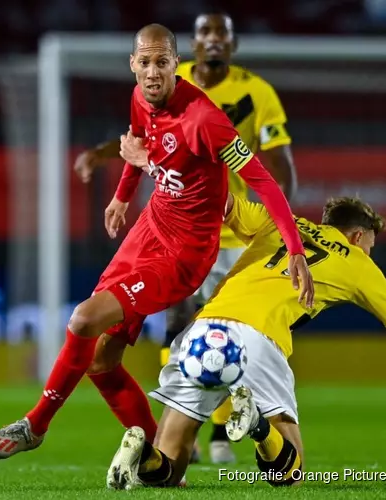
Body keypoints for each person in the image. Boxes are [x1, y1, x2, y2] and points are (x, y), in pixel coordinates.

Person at [0, 24, 314, 460]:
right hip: (150, 229)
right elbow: (137, 144)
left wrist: (296, 250)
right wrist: (120, 196)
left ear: (177, 64)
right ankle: (164, 457)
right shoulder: (139, 97)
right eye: (145, 62)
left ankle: (35, 424)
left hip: (185, 253)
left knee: (82, 320)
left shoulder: (205, 121)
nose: (153, 72)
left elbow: (264, 183)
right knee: (100, 360)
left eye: (162, 63)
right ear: (133, 64)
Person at [105, 193, 386, 490]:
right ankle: (258, 427)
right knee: (290, 474)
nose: (370, 253)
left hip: (202, 330)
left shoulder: (279, 221)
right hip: (258, 338)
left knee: (169, 472)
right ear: (357, 236)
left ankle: (142, 452)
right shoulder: (357, 261)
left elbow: (220, 200)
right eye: (370, 244)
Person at [73, 13, 298, 464]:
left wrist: (283, 232)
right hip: (181, 228)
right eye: (205, 33)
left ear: (232, 44)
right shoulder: (158, 81)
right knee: (177, 325)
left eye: (221, 34)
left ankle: (219, 432)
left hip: (235, 228)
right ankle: (184, 430)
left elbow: (274, 167)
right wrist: (110, 163)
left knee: (224, 332)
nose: (213, 41)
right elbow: (139, 138)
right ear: (190, 47)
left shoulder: (253, 93)